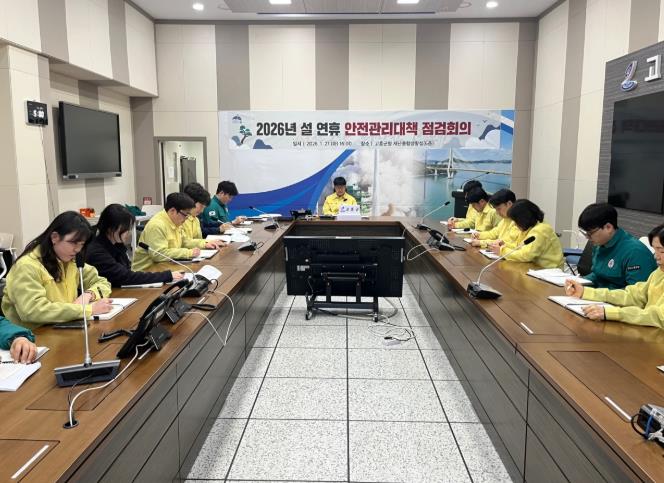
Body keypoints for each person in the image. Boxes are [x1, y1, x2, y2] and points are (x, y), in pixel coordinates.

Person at [1, 212, 113, 330]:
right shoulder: (26, 266)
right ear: (55, 237)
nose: (77, 249)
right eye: (73, 243)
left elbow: (103, 283)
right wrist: (87, 310)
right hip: (32, 335)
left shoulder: (71, 261)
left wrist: (88, 295)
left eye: (82, 244)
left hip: (64, 328)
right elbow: (33, 311)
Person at [564, 223, 664, 328]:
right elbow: (633, 295)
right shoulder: (659, 272)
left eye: (662, 251)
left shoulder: (633, 250)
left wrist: (613, 313)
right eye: (655, 250)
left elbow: (659, 316)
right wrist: (585, 292)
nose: (656, 256)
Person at [86, 204, 185, 287]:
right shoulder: (97, 252)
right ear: (111, 228)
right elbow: (125, 276)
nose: (129, 233)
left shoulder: (116, 244)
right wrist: (166, 275)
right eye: (125, 229)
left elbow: (127, 270)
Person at [576, 203, 656, 289]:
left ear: (608, 227)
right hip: (600, 294)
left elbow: (636, 293)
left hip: (617, 296)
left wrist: (594, 293)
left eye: (590, 233)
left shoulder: (635, 252)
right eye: (585, 233)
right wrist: (579, 283)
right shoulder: (600, 244)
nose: (587, 237)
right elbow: (598, 275)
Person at [132, 193, 205, 271]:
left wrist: (204, 243)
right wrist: (188, 253)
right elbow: (159, 254)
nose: (187, 218)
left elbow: (185, 241)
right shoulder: (157, 225)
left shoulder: (175, 221)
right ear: (173, 210)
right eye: (185, 214)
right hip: (147, 271)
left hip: (167, 266)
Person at [489, 199, 564, 269]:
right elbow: (520, 247)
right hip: (535, 269)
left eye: (516, 221)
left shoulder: (540, 230)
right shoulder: (529, 228)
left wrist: (502, 251)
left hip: (549, 271)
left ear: (523, 218)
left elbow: (525, 255)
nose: (514, 224)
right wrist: (504, 245)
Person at [182, 183, 227, 248]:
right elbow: (185, 243)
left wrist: (209, 242)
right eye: (201, 206)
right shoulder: (181, 218)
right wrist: (206, 242)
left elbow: (199, 239)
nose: (202, 211)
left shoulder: (195, 219)